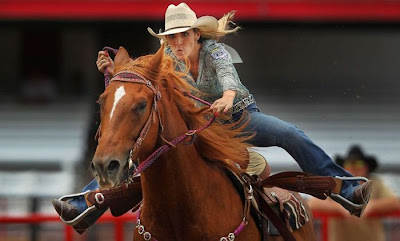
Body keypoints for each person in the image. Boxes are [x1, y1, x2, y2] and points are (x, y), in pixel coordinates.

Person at [52, 2, 372, 233]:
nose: (178, 43)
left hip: (239, 118)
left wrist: (227, 97)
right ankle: (88, 201)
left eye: (184, 35)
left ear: (196, 34)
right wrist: (114, 72)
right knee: (144, 149)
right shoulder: (166, 63)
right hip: (199, 128)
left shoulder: (214, 53)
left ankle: (341, 186)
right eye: (172, 37)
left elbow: (228, 78)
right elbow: (137, 78)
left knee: (288, 133)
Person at [308, 145, 400, 241]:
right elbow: (312, 203)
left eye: (359, 163)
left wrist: (371, 206)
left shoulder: (375, 183)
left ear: (366, 167)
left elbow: (394, 202)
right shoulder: (336, 184)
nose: (354, 167)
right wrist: (341, 208)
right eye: (349, 163)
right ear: (343, 167)